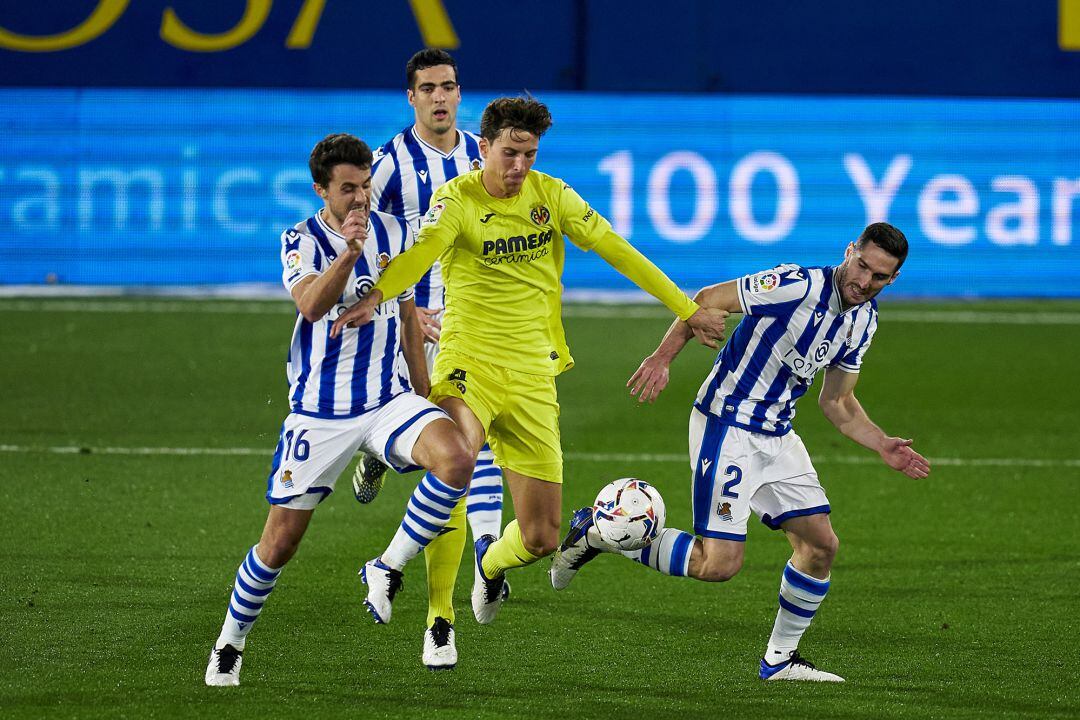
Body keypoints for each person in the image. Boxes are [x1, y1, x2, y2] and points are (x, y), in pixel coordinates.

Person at [330, 95, 728, 643]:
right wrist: (375, 296)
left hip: (535, 376)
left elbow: (618, 249)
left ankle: (489, 567)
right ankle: (405, 584)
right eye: (510, 153)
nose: (520, 166)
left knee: (541, 536)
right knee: (458, 459)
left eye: (530, 155)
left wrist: (686, 309)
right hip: (469, 363)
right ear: (484, 147)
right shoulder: (457, 200)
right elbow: (421, 256)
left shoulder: (551, 196)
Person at [549, 222, 931, 682]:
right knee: (719, 565)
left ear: (893, 280)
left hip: (778, 437)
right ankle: (598, 532)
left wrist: (881, 443)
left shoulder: (863, 321)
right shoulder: (795, 285)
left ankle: (779, 661)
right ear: (849, 251)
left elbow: (838, 402)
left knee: (820, 545)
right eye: (862, 266)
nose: (864, 282)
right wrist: (663, 357)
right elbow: (708, 298)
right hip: (725, 426)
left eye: (879, 278)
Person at [204, 133, 475, 686]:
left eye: (366, 187)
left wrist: (422, 396)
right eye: (347, 189)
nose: (360, 200)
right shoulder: (299, 239)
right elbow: (311, 304)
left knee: (457, 457)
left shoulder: (397, 233)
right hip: (319, 414)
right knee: (279, 543)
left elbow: (404, 319)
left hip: (386, 400)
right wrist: (350, 252)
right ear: (321, 190)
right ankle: (230, 641)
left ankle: (385, 567)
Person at [350, 50, 511, 664]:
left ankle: (447, 611)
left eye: (448, 87)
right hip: (416, 323)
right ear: (410, 97)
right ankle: (448, 602)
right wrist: (406, 313)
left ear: (459, 93)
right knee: (453, 456)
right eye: (428, 89)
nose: (440, 98)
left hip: (478, 321)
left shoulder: (484, 154)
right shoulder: (387, 168)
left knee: (474, 448)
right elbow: (372, 251)